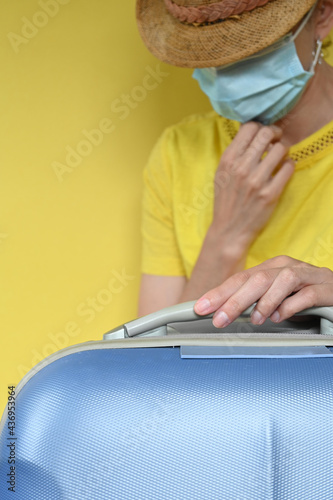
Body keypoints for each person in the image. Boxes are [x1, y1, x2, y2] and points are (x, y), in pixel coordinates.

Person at [136, 0, 333, 328]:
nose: (230, 68)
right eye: (212, 54)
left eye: (255, 48)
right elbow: (151, 362)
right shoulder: (178, 152)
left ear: (323, 16)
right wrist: (226, 238)